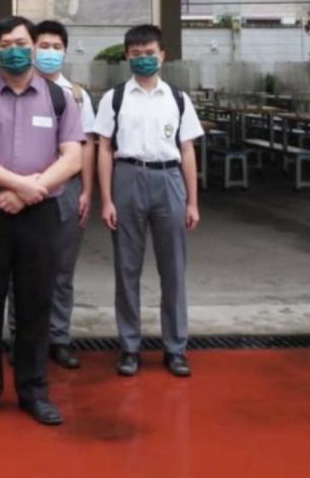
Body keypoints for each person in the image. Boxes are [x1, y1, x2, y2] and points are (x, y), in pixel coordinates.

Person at [0, 16, 82, 428]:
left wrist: (31, 191)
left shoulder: (60, 98)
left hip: (41, 212)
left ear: (33, 45)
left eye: (21, 42)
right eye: (5, 43)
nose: (14, 49)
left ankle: (34, 390)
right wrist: (19, 186)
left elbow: (72, 158)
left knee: (36, 302)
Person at [96, 23, 203, 379]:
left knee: (173, 269)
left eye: (149, 53)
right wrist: (106, 199)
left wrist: (192, 202)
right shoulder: (114, 98)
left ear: (162, 55)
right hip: (128, 177)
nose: (143, 58)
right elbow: (104, 149)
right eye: (136, 53)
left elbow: (187, 150)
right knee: (127, 268)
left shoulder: (178, 99)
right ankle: (129, 347)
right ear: (127, 56)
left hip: (169, 179)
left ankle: (176, 348)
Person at [7, 19, 96, 371]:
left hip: (65, 189)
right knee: (19, 268)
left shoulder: (77, 95)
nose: (49, 53)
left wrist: (87, 190)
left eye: (56, 47)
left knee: (61, 268)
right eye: (43, 46)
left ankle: (58, 336)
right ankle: (20, 336)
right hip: (21, 188)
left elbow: (87, 146)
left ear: (65, 51)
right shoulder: (15, 90)